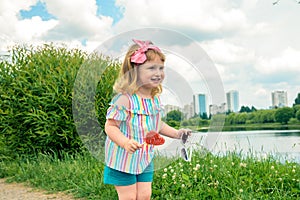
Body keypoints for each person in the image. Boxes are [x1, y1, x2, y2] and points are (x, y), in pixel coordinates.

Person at [104, 39, 191, 200]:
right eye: (151, 68)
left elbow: (157, 124)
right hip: (122, 159)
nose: (158, 72)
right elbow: (110, 127)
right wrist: (125, 142)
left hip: (143, 158)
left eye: (161, 68)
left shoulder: (154, 100)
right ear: (134, 71)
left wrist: (177, 133)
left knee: (144, 195)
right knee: (129, 197)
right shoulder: (125, 100)